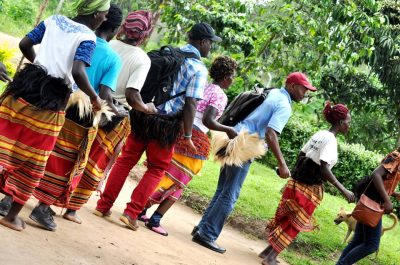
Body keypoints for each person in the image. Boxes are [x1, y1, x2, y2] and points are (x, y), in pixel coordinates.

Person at [95, 22, 222, 232]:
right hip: (167, 125)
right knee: (156, 168)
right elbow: (191, 103)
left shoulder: (169, 52)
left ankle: (103, 206)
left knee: (126, 160)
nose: (210, 48)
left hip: (143, 114)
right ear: (203, 42)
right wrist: (188, 134)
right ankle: (131, 213)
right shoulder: (198, 69)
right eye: (210, 43)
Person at [0, 0, 109, 231]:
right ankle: (11, 217)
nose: (105, 19)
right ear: (97, 14)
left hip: (23, 88)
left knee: (3, 142)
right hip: (51, 102)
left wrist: (39, 65)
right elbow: (78, 71)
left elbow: (24, 43)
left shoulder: (53, 20)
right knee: (34, 158)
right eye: (105, 14)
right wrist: (94, 98)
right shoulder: (88, 38)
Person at [191, 72, 317, 253]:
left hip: (232, 137)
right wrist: (282, 164)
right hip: (244, 145)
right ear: (291, 86)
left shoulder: (273, 92)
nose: (305, 93)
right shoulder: (284, 105)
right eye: (303, 88)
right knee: (230, 195)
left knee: (223, 190)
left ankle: (202, 228)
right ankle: (207, 234)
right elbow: (271, 134)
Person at [26, 4, 122, 231]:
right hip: (82, 114)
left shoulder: (67, 29)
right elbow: (105, 94)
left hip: (52, 98)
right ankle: (43, 206)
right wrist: (112, 109)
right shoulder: (106, 53)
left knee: (37, 148)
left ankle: (11, 197)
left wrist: (39, 68)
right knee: (66, 161)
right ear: (114, 27)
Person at [139, 56, 238, 236]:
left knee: (165, 173)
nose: (233, 80)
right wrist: (229, 130)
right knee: (178, 182)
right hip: (196, 140)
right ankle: (155, 219)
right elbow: (208, 121)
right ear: (226, 77)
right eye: (233, 76)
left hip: (179, 131)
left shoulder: (203, 85)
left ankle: (141, 209)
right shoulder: (220, 95)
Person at [261, 102, 356, 265]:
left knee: (287, 218)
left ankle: (267, 251)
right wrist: (344, 190)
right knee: (295, 223)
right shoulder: (331, 140)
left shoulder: (320, 134)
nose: (349, 124)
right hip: (308, 189)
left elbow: (301, 154)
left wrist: (296, 175)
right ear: (340, 122)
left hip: (296, 183)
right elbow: (325, 168)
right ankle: (270, 258)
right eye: (348, 121)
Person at [336, 149, 400, 265]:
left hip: (371, 203)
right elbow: (376, 174)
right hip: (372, 206)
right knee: (372, 245)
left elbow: (384, 180)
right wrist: (387, 200)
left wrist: (394, 194)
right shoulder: (396, 158)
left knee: (358, 240)